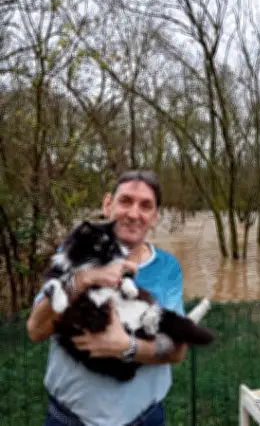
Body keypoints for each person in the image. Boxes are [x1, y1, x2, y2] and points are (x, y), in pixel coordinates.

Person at [27, 170, 187, 426]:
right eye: (125, 201)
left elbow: (177, 350)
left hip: (144, 419)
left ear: (156, 216)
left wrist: (127, 347)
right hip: (68, 419)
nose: (133, 213)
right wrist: (82, 279)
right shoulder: (75, 249)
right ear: (107, 205)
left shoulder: (167, 267)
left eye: (146, 206)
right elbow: (36, 329)